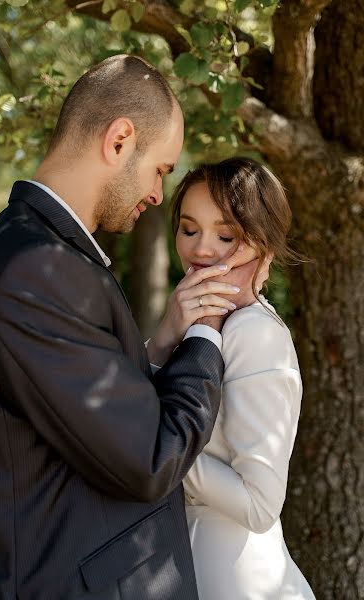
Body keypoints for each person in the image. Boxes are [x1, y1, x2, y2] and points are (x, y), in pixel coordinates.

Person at [0, 56, 267, 600]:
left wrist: (164, 340)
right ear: (121, 140)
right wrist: (207, 331)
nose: (157, 194)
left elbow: (84, 416)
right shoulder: (37, 269)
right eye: (160, 170)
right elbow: (153, 457)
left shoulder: (38, 255)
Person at [147, 157, 316, 599]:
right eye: (189, 230)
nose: (202, 250)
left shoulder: (254, 333)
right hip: (185, 560)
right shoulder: (206, 326)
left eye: (226, 236)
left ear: (263, 247)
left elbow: (260, 505)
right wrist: (167, 334)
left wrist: (157, 448)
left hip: (234, 577)